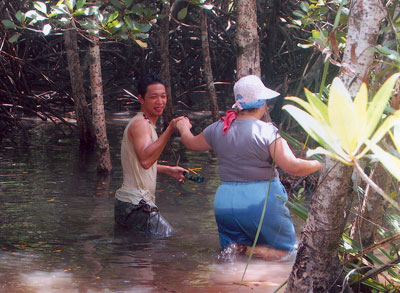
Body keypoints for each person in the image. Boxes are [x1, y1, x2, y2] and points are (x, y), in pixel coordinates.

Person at [176, 75, 322, 260]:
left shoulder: (218, 128)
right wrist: (322, 163)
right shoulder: (267, 131)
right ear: (262, 105)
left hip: (225, 202)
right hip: (261, 201)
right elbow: (292, 167)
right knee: (288, 254)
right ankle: (253, 253)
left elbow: (190, 143)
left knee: (233, 258)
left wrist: (182, 126)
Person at [114, 73, 186, 237]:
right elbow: (146, 160)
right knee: (172, 240)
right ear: (141, 99)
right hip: (136, 204)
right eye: (153, 97)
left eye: (163, 96)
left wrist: (167, 170)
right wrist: (170, 129)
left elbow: (138, 163)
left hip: (128, 204)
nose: (160, 102)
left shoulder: (144, 123)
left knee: (140, 255)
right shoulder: (141, 124)